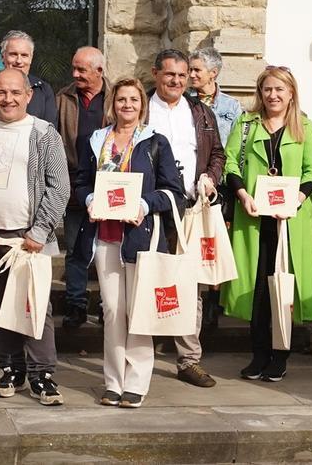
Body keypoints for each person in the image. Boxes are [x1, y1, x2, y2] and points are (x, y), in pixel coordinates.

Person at [74, 78, 185, 409]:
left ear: (142, 104)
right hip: (104, 237)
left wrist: (144, 206)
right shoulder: (96, 141)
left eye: (133, 100)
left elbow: (175, 193)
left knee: (137, 312)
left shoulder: (155, 143)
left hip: (140, 238)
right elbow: (80, 183)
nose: (127, 105)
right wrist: (91, 198)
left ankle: (136, 382)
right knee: (111, 312)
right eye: (121, 99)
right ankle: (113, 382)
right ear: (113, 104)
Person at [0, 69, 69, 405]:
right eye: (1, 92)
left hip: (28, 237)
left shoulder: (44, 134)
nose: (8, 99)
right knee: (1, 307)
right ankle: (12, 367)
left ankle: (42, 374)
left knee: (34, 305)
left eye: (15, 92)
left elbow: (60, 188)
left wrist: (40, 230)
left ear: (28, 95)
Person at [222, 66, 312, 383]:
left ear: (291, 92)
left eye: (280, 89)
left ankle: (280, 356)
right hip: (254, 220)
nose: (273, 95)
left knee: (283, 291)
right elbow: (230, 163)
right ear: (260, 92)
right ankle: (259, 354)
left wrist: (297, 201)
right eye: (267, 89)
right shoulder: (246, 124)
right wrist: (241, 195)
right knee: (258, 292)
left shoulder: (303, 126)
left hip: (289, 223)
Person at [146, 49, 225, 388]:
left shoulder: (201, 112)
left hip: (190, 211)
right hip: (149, 211)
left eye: (182, 75)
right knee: (145, 283)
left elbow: (218, 154)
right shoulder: (141, 109)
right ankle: (140, 357)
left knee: (189, 287)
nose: (177, 81)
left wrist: (210, 177)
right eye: (170, 75)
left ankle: (189, 360)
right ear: (155, 74)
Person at [56, 47, 109, 330]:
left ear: (99, 71)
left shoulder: (115, 98)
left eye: (82, 70)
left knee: (108, 251)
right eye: (74, 69)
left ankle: (105, 305)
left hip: (110, 187)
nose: (75, 74)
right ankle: (75, 304)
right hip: (75, 186)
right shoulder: (63, 98)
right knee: (76, 249)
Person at [0, 31, 58, 129]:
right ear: (3, 57)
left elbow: (49, 132)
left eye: (24, 55)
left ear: (31, 58)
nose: (19, 61)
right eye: (13, 54)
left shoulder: (43, 90)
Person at [188, 47, 243, 148]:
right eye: (190, 70)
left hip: (223, 162)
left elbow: (239, 142)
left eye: (197, 70)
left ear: (213, 72)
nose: (191, 74)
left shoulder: (232, 105)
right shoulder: (184, 101)